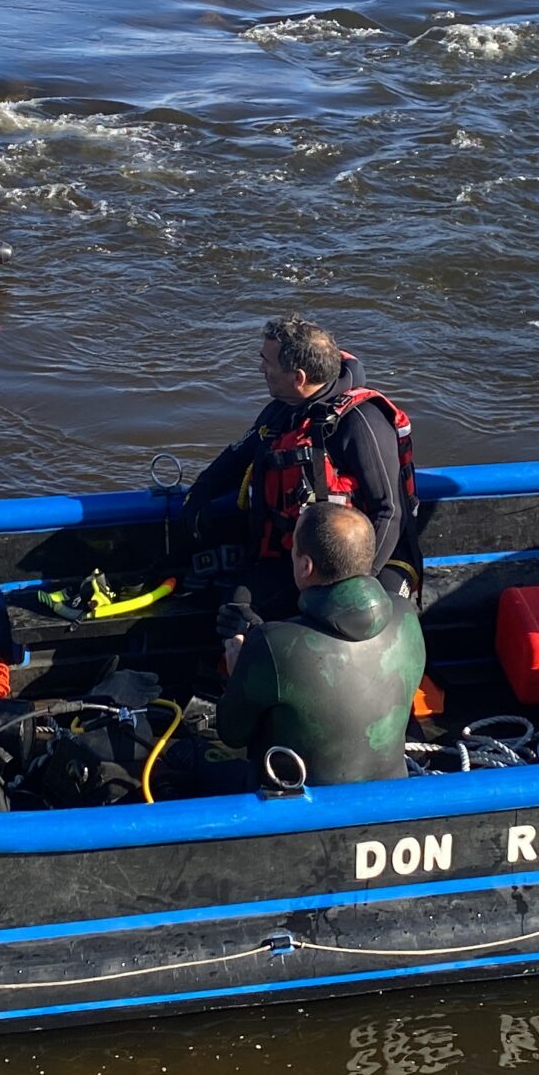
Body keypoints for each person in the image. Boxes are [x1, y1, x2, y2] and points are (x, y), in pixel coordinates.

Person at [183, 316, 421, 639]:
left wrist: (353, 585)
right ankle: (260, 677)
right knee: (235, 615)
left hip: (374, 562)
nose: (260, 369)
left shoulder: (362, 422)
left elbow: (389, 511)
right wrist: (201, 491)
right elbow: (237, 456)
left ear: (298, 377)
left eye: (266, 362)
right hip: (298, 559)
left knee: (368, 627)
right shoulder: (281, 413)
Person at [215, 503, 426, 789]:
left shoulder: (271, 643)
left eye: (293, 551)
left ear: (305, 566)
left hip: (301, 804)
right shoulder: (406, 616)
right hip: (390, 790)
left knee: (189, 757)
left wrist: (237, 668)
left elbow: (232, 733)